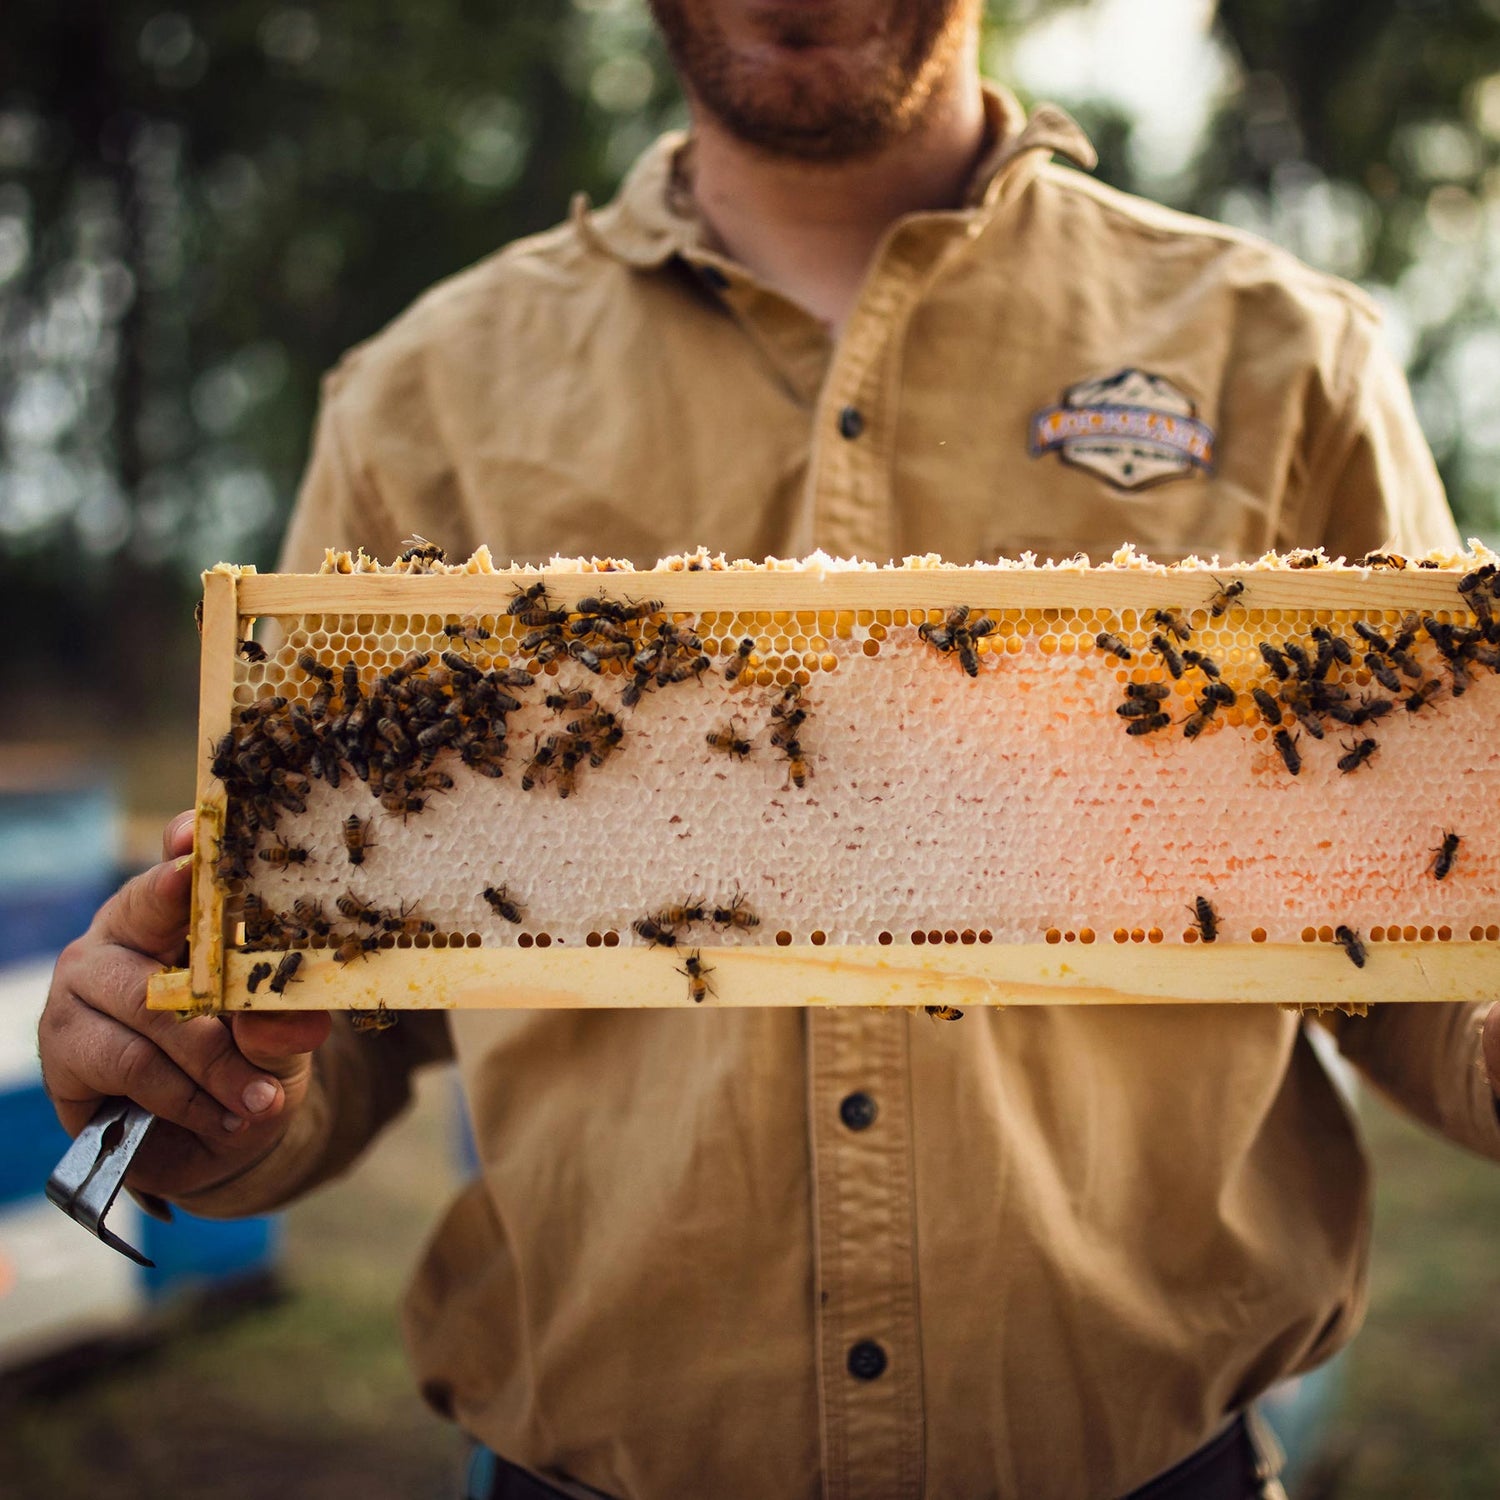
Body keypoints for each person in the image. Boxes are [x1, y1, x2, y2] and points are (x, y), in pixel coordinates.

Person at [38, 2, 1500, 1497]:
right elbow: (340, 1018)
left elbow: (1419, 946)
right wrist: (208, 1091)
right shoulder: (423, 393)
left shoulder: (1286, 351)